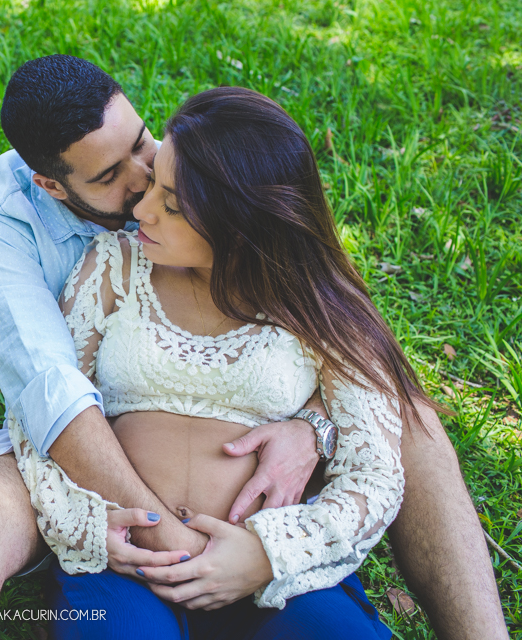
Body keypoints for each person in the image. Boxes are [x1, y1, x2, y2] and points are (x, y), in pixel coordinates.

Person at [0, 55, 508, 640]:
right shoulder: (9, 228)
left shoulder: (201, 165)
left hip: (263, 532)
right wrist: (155, 534)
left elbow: (355, 382)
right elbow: (47, 397)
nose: (143, 187)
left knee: (411, 418)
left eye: (146, 150)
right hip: (91, 467)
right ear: (52, 185)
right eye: (109, 177)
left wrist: (312, 427)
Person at [28, 85, 407, 638]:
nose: (142, 209)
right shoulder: (114, 266)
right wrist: (86, 523)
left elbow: (375, 475)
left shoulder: (316, 304)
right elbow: (42, 413)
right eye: (155, 180)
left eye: (172, 204)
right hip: (131, 565)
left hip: (277, 575)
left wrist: (266, 554)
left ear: (242, 221)